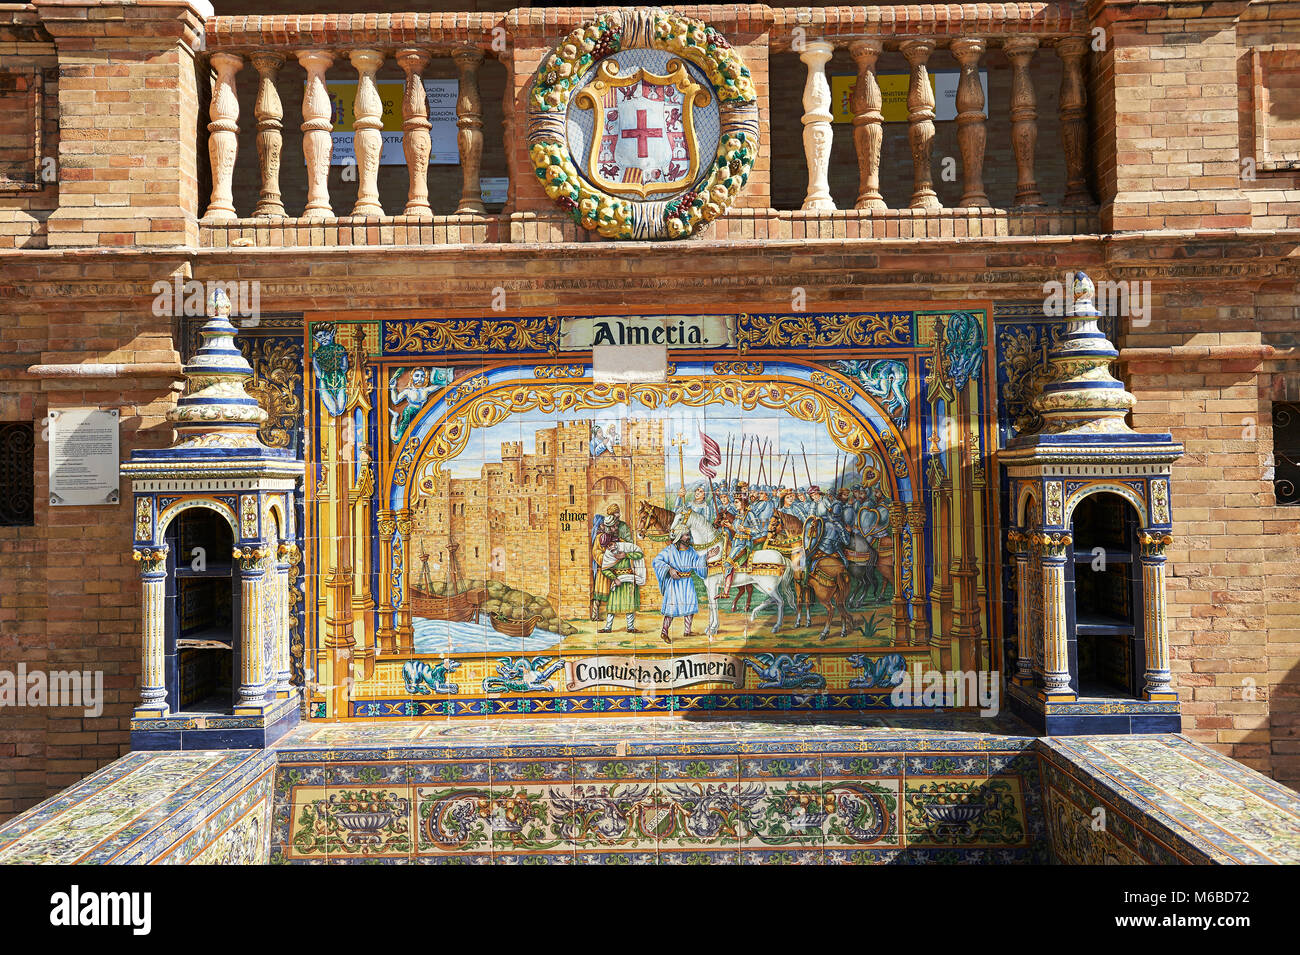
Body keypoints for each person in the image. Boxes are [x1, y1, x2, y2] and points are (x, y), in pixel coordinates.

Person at [652, 528, 708, 643]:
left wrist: (705, 558)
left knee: (690, 606)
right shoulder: (670, 550)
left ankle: (687, 631)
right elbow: (657, 561)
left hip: (687, 581)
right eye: (686, 535)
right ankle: (664, 632)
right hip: (674, 584)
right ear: (679, 537)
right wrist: (669, 569)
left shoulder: (691, 551)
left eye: (688, 535)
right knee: (671, 609)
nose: (688, 537)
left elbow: (697, 564)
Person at [597, 533, 644, 633]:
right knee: (612, 605)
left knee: (630, 604)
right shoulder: (608, 555)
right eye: (608, 546)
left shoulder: (626, 547)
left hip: (629, 581)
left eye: (611, 544)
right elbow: (605, 570)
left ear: (615, 542)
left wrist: (626, 555)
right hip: (617, 581)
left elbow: (640, 554)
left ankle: (630, 627)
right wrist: (614, 578)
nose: (610, 547)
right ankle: (608, 628)